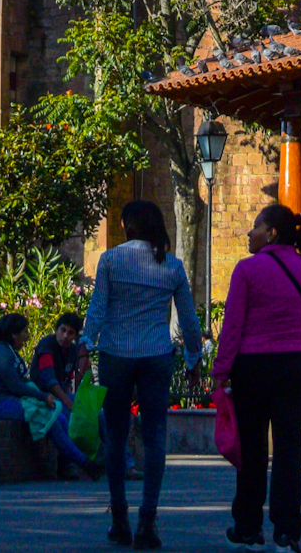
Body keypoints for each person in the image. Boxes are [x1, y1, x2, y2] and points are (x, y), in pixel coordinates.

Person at [82, 196, 203, 553]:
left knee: (117, 436)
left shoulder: (111, 260)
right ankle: (148, 520)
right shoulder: (172, 267)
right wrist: (194, 358)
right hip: (156, 355)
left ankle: (119, 518)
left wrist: (85, 345)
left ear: (130, 225)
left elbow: (98, 309)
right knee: (155, 437)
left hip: (116, 354)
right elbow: (189, 320)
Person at [212, 202, 301, 553]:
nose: (249, 233)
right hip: (296, 366)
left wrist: (220, 373)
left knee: (252, 451)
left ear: (272, 233)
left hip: (253, 368)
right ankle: (287, 533)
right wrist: (292, 336)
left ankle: (248, 528)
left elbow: (232, 328)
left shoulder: (247, 270)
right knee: (289, 450)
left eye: (255, 227)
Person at [0, 311, 98, 478]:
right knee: (47, 417)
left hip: (15, 399)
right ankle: (84, 462)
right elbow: (15, 386)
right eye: (25, 332)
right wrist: (42, 396)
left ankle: (70, 464)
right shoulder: (1, 353)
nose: (27, 336)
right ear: (14, 334)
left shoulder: (9, 351)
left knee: (59, 417)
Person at [30, 311, 86, 412]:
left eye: (70, 333)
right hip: (43, 396)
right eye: (63, 330)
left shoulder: (72, 350)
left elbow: (69, 378)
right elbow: (49, 379)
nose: (65, 336)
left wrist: (68, 393)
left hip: (61, 397)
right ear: (56, 330)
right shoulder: (47, 345)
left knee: (95, 412)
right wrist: (67, 401)